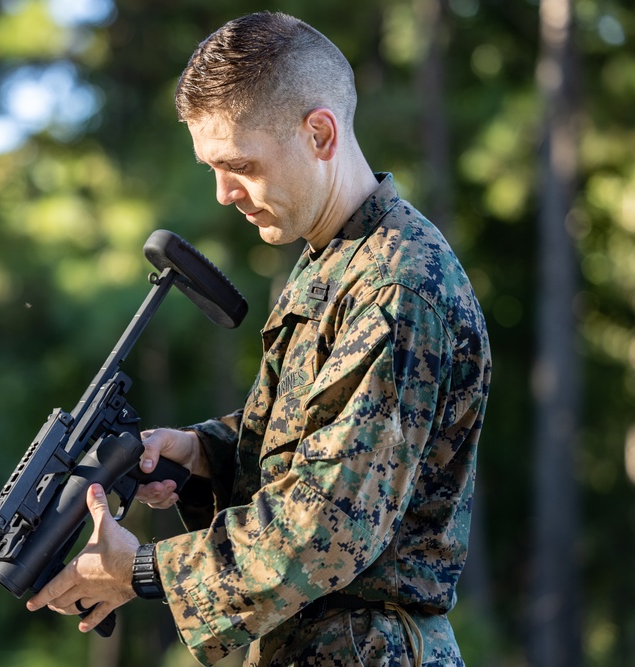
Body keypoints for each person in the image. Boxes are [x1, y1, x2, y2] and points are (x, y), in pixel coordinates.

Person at [26, 11, 491, 667]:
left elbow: (330, 525)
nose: (222, 193)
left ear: (320, 134)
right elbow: (313, 442)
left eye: (239, 164)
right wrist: (200, 456)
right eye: (211, 167)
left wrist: (143, 568)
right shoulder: (332, 263)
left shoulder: (395, 286)